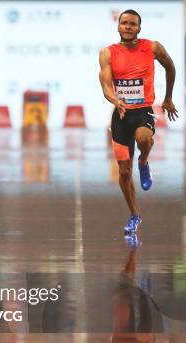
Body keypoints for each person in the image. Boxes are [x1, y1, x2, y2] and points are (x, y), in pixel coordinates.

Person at [99, 9, 178, 236]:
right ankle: (134, 215)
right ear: (118, 26)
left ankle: (143, 161)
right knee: (124, 172)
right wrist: (115, 99)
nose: (128, 26)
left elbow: (170, 67)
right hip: (121, 115)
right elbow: (105, 85)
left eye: (132, 24)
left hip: (143, 111)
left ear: (139, 28)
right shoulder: (107, 53)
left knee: (144, 137)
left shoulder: (152, 47)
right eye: (124, 23)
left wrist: (168, 98)